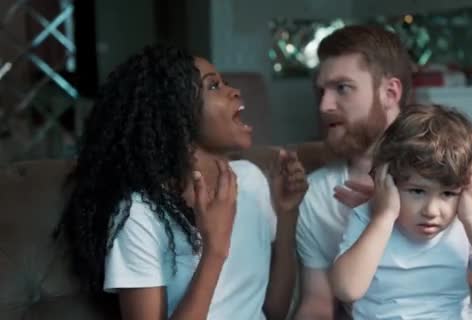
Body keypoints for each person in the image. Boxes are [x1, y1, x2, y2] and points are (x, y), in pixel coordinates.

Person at [56, 44, 308, 320]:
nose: (233, 91)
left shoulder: (250, 179)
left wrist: (287, 214)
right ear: (175, 114)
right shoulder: (140, 214)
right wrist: (214, 249)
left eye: (225, 82)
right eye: (213, 86)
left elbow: (275, 311)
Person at [295, 25, 472, 320]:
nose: (324, 106)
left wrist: (422, 222)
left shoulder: (459, 159)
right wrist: (381, 218)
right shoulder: (318, 192)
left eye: (342, 88)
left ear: (390, 92)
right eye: (321, 90)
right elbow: (319, 305)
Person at [330, 103, 472, 319]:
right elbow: (346, 290)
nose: (431, 211)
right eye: (417, 191)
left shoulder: (462, 225)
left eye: (448, 194)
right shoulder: (368, 218)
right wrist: (384, 217)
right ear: (387, 180)